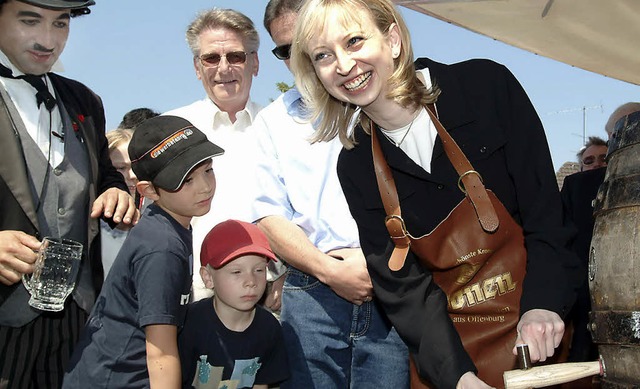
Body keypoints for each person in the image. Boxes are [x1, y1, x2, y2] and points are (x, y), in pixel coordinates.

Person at [290, 0, 580, 387]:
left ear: (392, 39)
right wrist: (458, 377)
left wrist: (544, 305)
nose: (343, 66)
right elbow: (403, 288)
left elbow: (547, 216)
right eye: (324, 55)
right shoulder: (356, 164)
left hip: (543, 334)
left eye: (355, 41)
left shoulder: (485, 88)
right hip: (453, 354)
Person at [248, 0, 409, 387]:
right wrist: (330, 271)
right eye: (285, 51)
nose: (298, 58)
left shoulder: (385, 101)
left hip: (396, 286)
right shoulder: (273, 121)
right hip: (312, 295)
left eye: (309, 45)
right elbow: (268, 216)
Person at [0, 1, 138, 387]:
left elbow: (107, 174)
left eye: (60, 24)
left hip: (78, 325)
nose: (48, 39)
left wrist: (116, 194)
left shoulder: (85, 101)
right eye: (30, 21)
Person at [63, 115, 224, 388]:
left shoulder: (168, 226)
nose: (205, 186)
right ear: (149, 191)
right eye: (186, 180)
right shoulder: (162, 247)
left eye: (207, 170)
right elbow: (160, 353)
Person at [165, 8, 286, 302]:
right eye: (211, 58)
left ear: (255, 63)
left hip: (270, 296)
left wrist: (284, 275)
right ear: (197, 67)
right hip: (193, 299)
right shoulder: (173, 130)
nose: (223, 68)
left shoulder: (283, 127)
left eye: (235, 56)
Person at [561, 102, 640, 363]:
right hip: (585, 305)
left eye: (603, 159)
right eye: (589, 161)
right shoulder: (575, 189)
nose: (597, 165)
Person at [179, 219, 289, 389]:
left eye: (259, 270)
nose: (250, 281)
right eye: (237, 272)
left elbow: (263, 384)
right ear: (208, 277)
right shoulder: (189, 323)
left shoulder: (269, 328)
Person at [100, 128, 137, 279]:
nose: (133, 175)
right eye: (121, 168)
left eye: (136, 166)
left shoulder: (157, 218)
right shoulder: (89, 227)